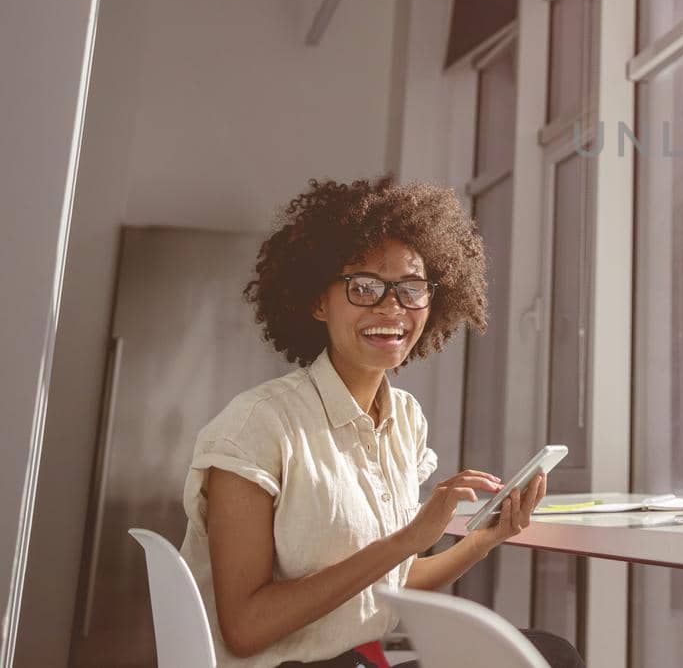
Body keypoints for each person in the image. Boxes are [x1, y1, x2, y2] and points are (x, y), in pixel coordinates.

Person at [178, 177, 582, 668]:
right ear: (317, 300)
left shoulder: (406, 419)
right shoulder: (257, 426)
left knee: (549, 653)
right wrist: (407, 539)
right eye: (363, 287)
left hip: (367, 660)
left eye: (411, 289)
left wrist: (482, 541)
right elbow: (244, 629)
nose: (391, 307)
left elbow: (390, 582)